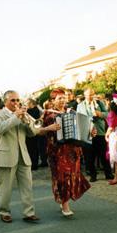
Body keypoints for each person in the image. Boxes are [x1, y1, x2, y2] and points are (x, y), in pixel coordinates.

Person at [0, 90, 40, 223]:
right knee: (5, 187)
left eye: (18, 100)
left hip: (23, 155)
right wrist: (15, 117)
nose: (16, 103)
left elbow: (33, 132)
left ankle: (29, 213)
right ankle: (4, 211)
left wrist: (27, 122)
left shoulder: (24, 114)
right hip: (7, 155)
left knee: (27, 186)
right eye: (13, 100)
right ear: (5, 101)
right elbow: (0, 129)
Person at [41, 88, 90, 217]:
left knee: (73, 175)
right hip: (57, 151)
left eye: (64, 97)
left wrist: (91, 132)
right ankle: (65, 203)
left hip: (73, 151)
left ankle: (64, 198)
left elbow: (83, 126)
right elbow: (42, 130)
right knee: (62, 177)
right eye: (59, 98)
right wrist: (49, 127)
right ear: (53, 100)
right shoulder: (48, 114)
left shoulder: (72, 112)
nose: (63, 100)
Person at [77, 88, 114, 182]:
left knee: (103, 154)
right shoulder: (80, 105)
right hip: (87, 133)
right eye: (89, 95)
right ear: (84, 95)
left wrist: (100, 113)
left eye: (92, 94)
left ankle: (108, 173)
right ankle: (93, 175)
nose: (91, 96)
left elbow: (107, 114)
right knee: (89, 156)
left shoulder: (99, 103)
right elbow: (79, 118)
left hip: (100, 131)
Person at [105, 96, 117, 185]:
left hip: (114, 135)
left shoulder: (112, 113)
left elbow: (111, 126)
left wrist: (106, 134)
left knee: (116, 156)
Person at [25, 98, 41, 170]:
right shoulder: (30, 110)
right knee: (31, 149)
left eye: (27, 103)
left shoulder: (34, 110)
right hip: (30, 132)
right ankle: (33, 164)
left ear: (31, 103)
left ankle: (34, 164)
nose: (26, 104)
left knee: (33, 149)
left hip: (34, 131)